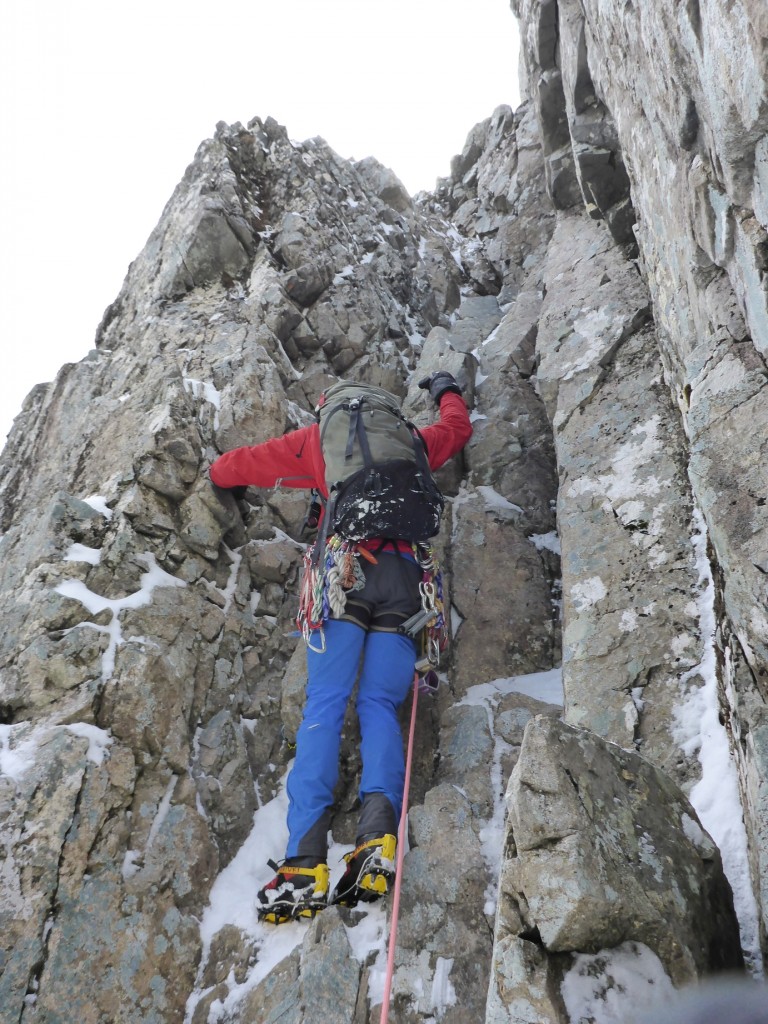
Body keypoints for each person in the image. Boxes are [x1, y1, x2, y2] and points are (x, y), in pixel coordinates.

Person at [209, 371, 472, 923]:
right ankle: (375, 840)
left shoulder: (317, 442)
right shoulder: (411, 441)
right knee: (379, 705)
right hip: (408, 586)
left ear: (332, 411)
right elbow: (458, 428)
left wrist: (220, 476)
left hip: (343, 576)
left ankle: (304, 864)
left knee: (324, 708)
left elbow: (236, 465)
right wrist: (446, 388)